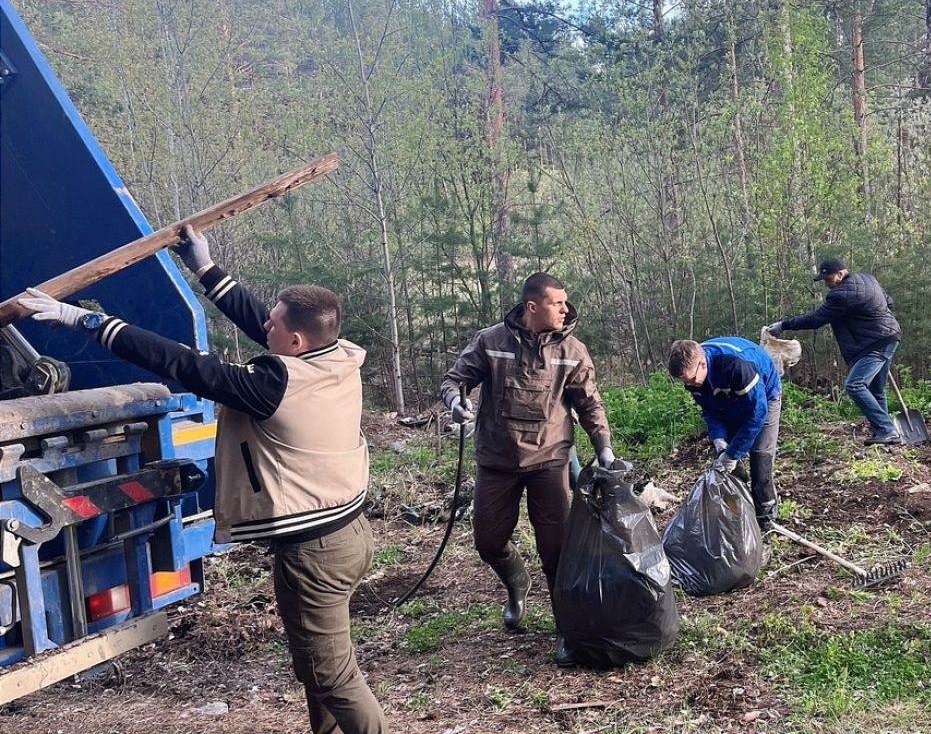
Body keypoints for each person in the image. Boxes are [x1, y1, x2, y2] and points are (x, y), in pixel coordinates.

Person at [20, 227, 387, 734]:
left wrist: (88, 320)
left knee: (332, 675)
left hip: (316, 552)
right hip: (344, 536)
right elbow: (264, 324)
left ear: (295, 340)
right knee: (318, 668)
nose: (265, 325)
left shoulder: (273, 387)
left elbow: (183, 364)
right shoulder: (339, 355)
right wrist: (207, 270)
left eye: (274, 324)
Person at [441, 272, 614, 666]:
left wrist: (603, 448)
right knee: (488, 541)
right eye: (557, 303)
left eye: (565, 302)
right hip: (498, 459)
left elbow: (590, 403)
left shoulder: (572, 350)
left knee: (556, 549)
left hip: (550, 457)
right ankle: (516, 580)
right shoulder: (491, 342)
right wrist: (454, 401)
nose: (565, 309)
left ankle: (565, 628)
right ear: (532, 307)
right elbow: (454, 380)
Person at [767, 256, 902, 446]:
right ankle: (881, 430)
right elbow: (889, 302)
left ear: (840, 274)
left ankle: (886, 430)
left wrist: (784, 325)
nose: (827, 284)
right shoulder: (868, 279)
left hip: (875, 343)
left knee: (854, 385)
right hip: (889, 336)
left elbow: (815, 319)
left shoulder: (840, 295)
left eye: (828, 279)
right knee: (876, 389)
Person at [667, 337, 781, 530]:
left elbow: (756, 414)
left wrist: (733, 454)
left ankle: (766, 519)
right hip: (727, 401)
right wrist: (719, 439)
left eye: (693, 379)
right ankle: (738, 513)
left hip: (764, 398)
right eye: (686, 382)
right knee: (724, 462)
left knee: (760, 456)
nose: (691, 385)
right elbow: (710, 410)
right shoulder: (694, 377)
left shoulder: (736, 365)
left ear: (702, 363)